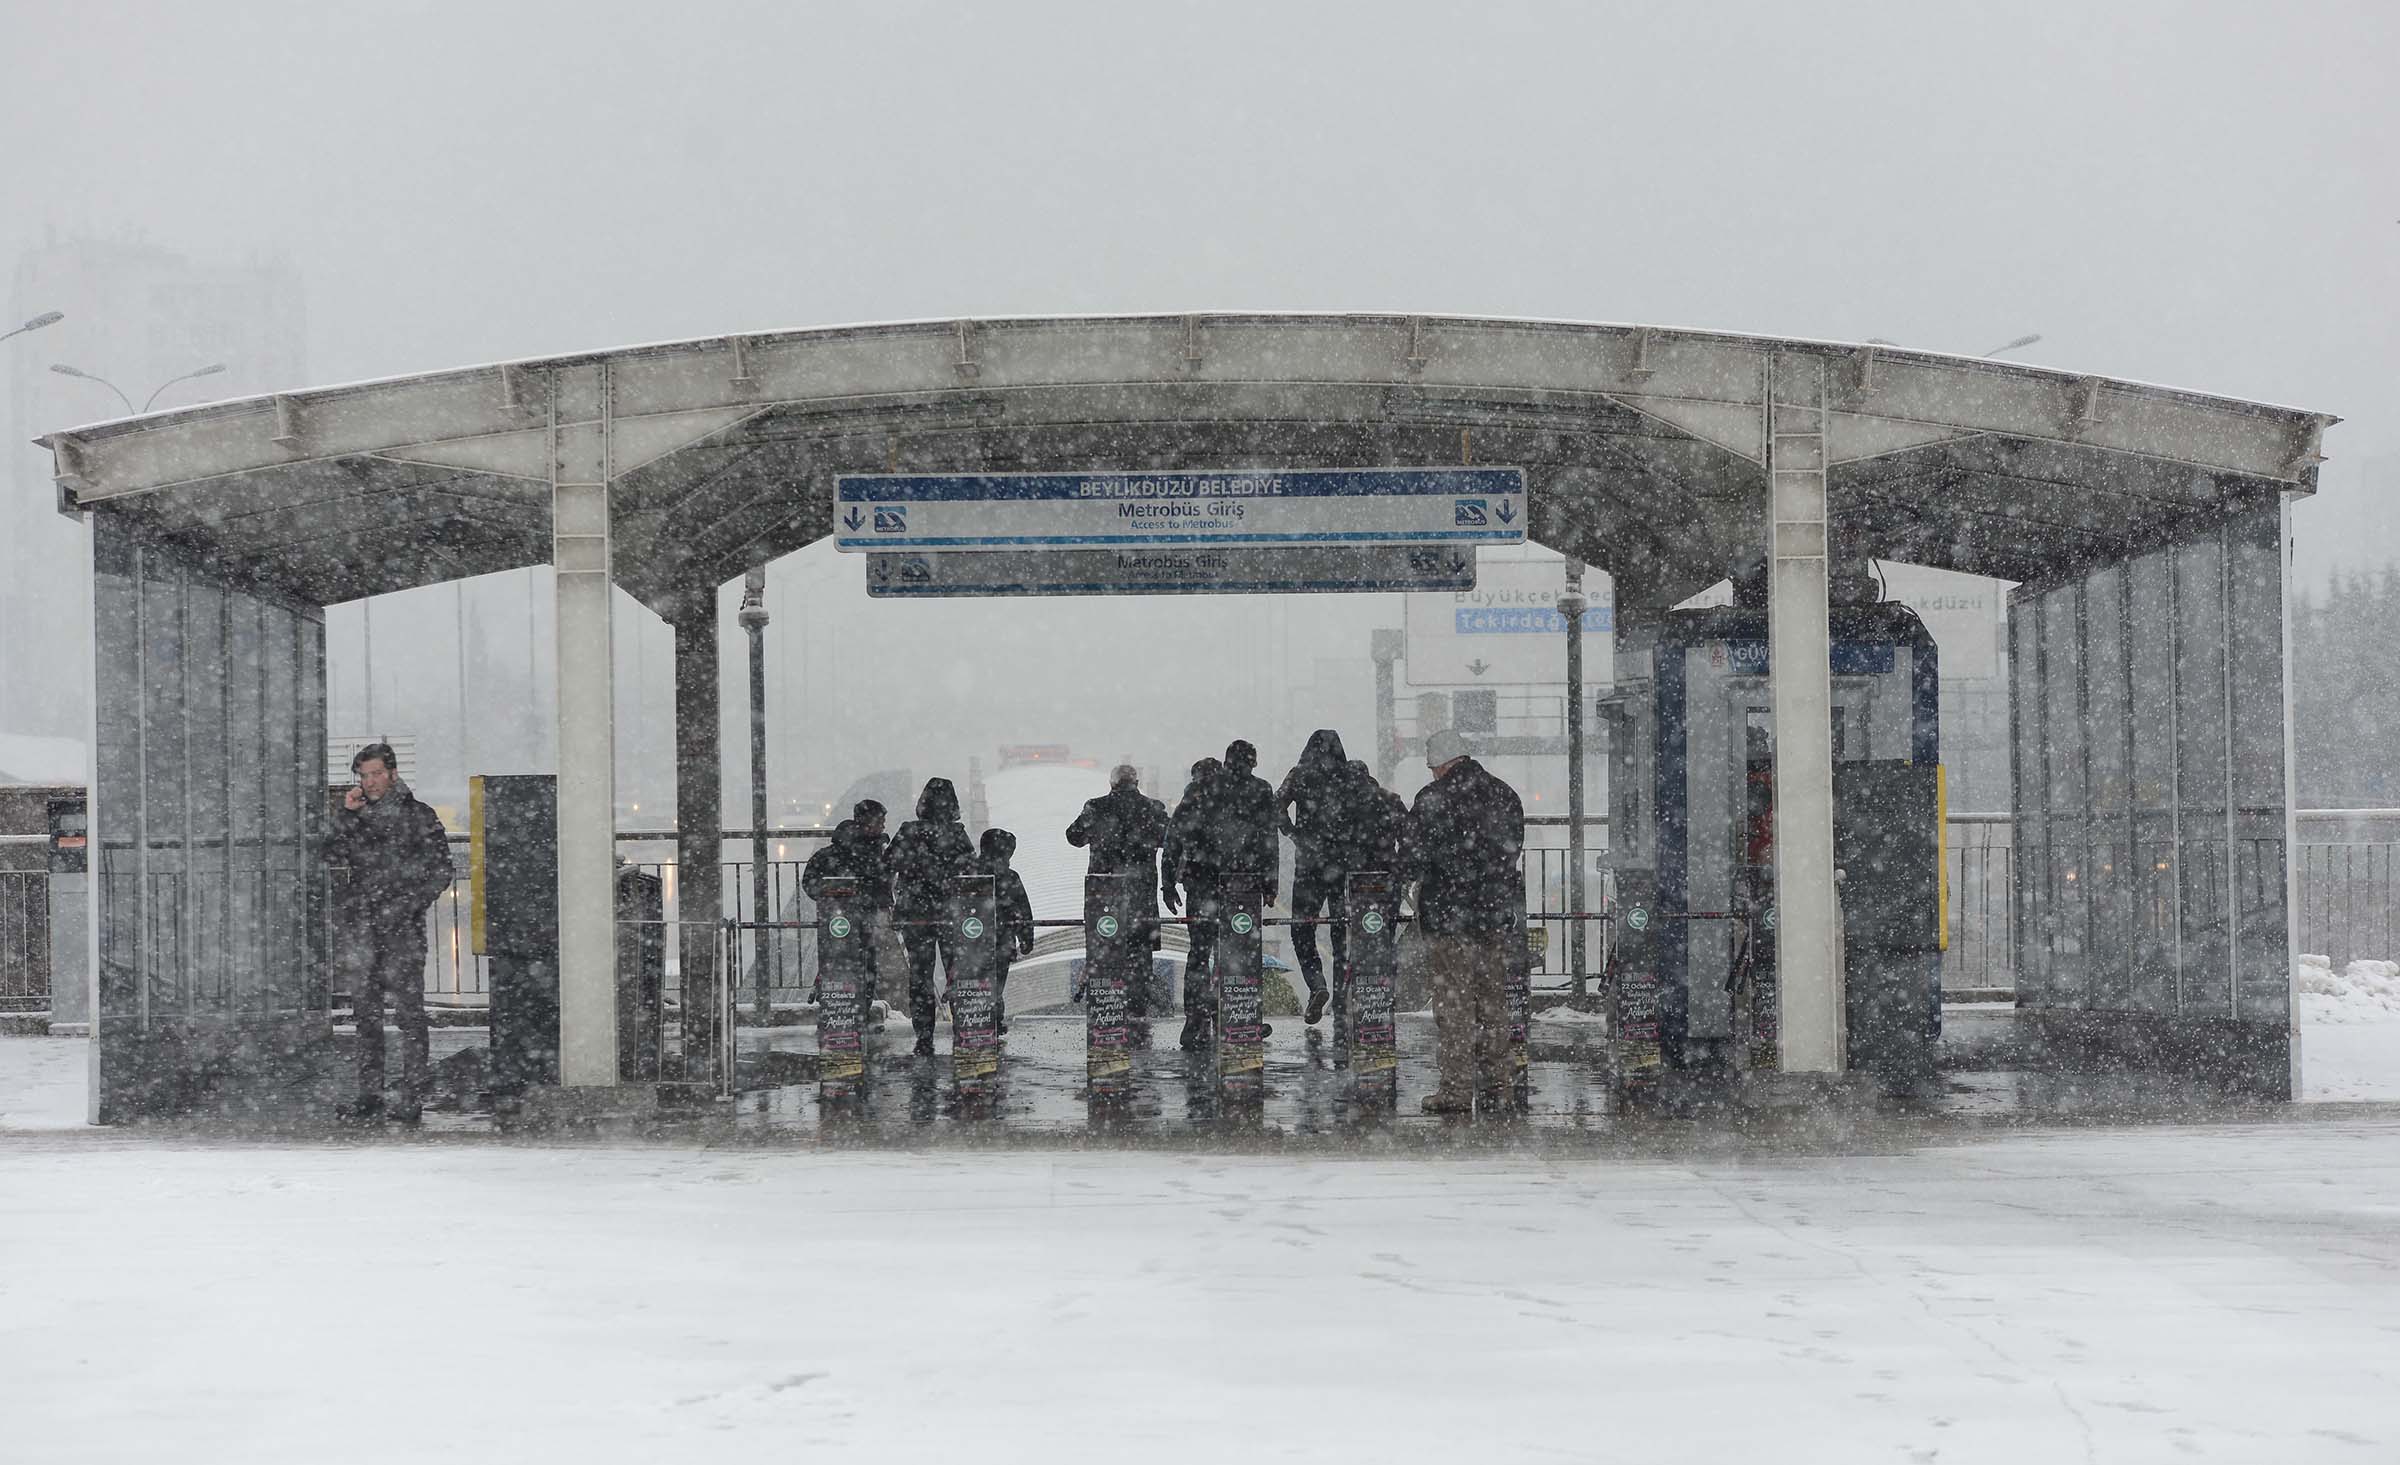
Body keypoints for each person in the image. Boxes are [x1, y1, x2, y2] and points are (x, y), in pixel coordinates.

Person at [326, 743, 454, 1124]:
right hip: (363, 929)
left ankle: (411, 1097)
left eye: (377, 774)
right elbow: (331, 855)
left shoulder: (419, 816)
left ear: (393, 773)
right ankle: (371, 1094)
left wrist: (406, 906)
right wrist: (345, 816)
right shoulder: (358, 817)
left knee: (410, 1016)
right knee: (366, 1018)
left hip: (401, 932)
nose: (370, 782)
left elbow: (440, 871)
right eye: (364, 776)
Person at [1401, 729, 1526, 1115]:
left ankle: (1456, 1091)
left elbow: (1412, 856)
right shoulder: (1505, 794)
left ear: (1440, 764)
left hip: (1448, 918)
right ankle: (1500, 1086)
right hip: (1491, 917)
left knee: (1454, 1007)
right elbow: (1511, 851)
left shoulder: (1432, 799)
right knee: (1493, 1004)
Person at [1067, 765, 1170, 1039]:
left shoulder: (1096, 807)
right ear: (1137, 781)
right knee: (1140, 957)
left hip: (1104, 894)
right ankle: (1137, 1014)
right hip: (1141, 894)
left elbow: (1073, 837)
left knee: (1104, 953)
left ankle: (1107, 1008)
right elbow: (1169, 839)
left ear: (1111, 783)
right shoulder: (1154, 808)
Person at [1276, 729, 1357, 1028]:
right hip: (1341, 864)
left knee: (1302, 928)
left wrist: (1295, 834)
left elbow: (1276, 806)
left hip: (1309, 864)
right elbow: (1365, 810)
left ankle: (1316, 983)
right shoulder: (1348, 777)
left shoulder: (1299, 774)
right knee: (1341, 931)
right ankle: (1341, 996)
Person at [889, 778, 976, 1057]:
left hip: (916, 913)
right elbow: (971, 871)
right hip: (950, 912)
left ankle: (924, 1035)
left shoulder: (908, 831)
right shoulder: (957, 834)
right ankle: (964, 1027)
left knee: (920, 974)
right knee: (957, 971)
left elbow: (889, 862)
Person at [803, 799, 892, 1013]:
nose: (883, 826)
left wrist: (830, 898)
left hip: (834, 922)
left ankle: (837, 1009)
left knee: (835, 963)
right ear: (868, 823)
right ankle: (860, 1011)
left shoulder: (828, 854)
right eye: (881, 821)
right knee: (866, 965)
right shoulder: (874, 854)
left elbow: (809, 882)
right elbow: (881, 885)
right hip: (863, 922)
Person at [977, 827, 1036, 1034]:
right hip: (1002, 941)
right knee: (996, 983)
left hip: (971, 943)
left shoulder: (970, 874)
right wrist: (1026, 938)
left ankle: (974, 1015)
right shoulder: (1010, 877)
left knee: (974, 981)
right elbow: (1023, 909)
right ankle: (994, 1017)